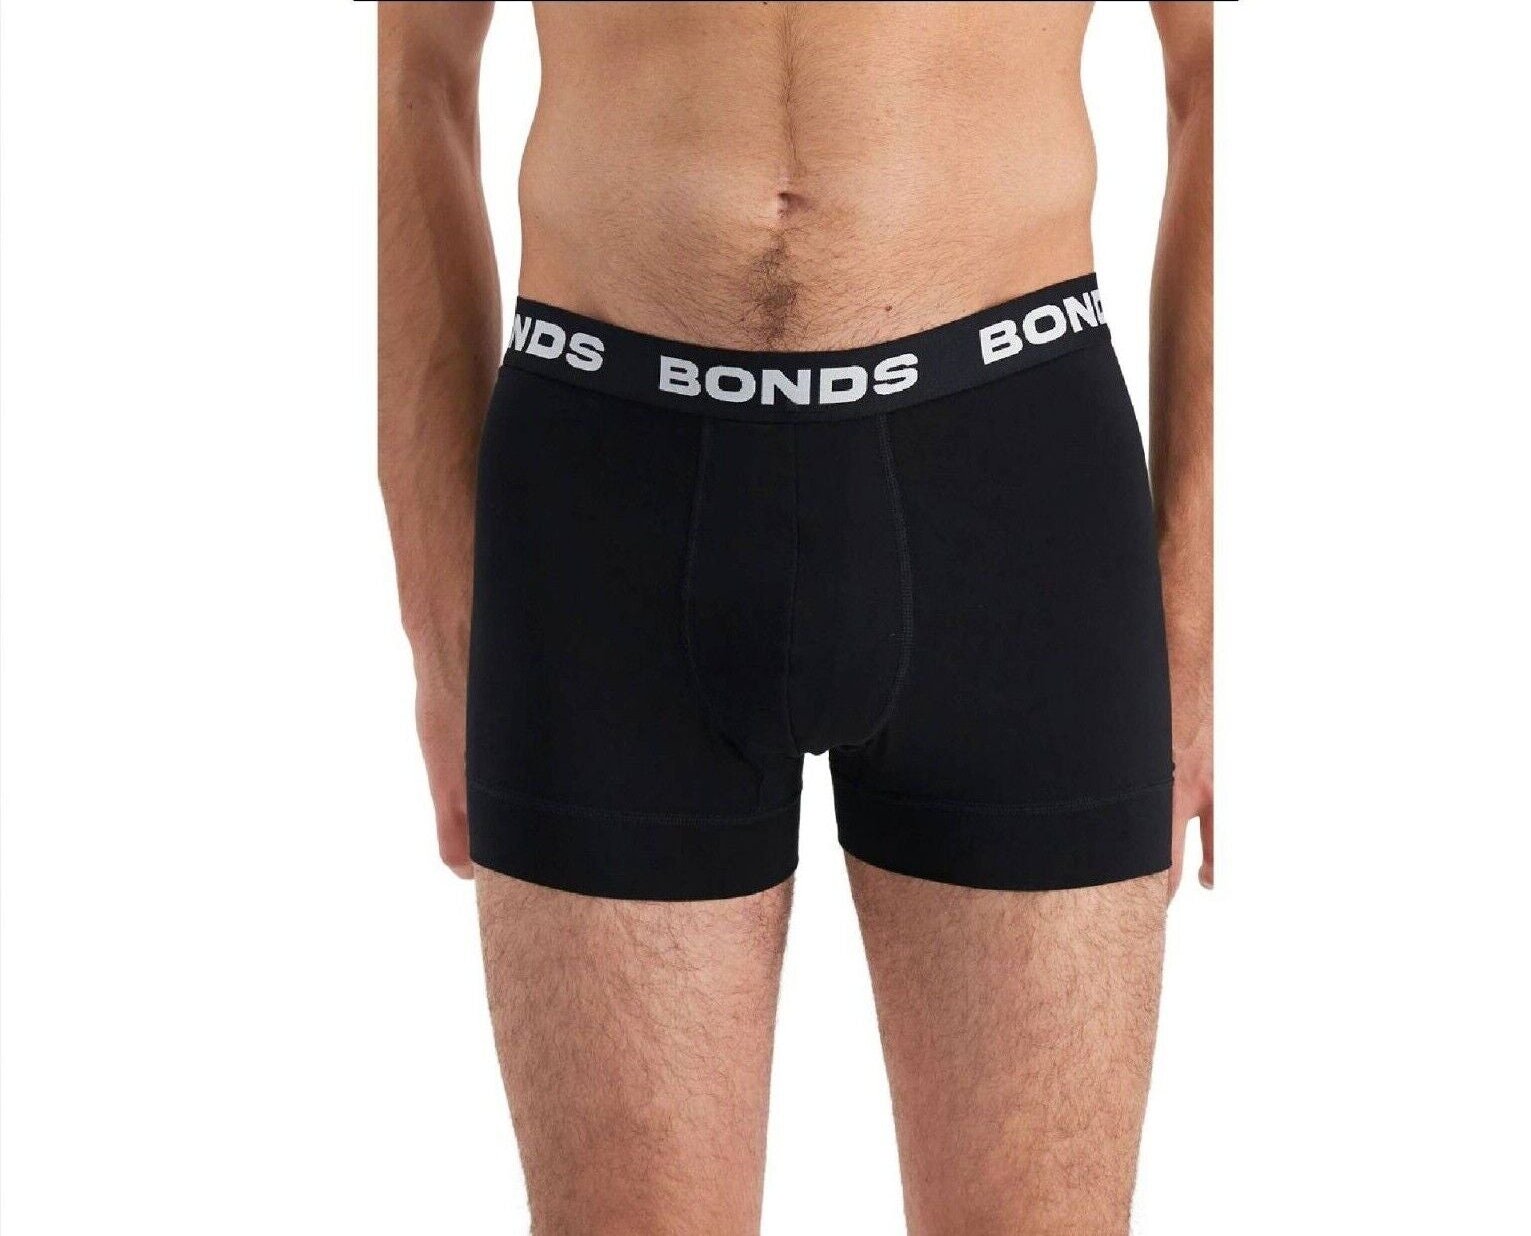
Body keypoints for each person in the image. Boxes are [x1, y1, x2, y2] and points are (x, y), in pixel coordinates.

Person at [377, 3, 1212, 1232]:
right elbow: (413, 72)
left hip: (1011, 475)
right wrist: (441, 614)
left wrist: (1193, 612)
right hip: (602, 488)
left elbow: (1215, 71)